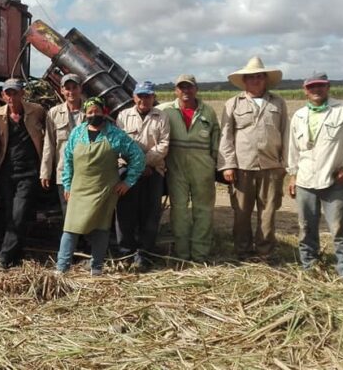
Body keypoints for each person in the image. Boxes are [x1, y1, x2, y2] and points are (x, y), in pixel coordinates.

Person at [287, 73, 343, 286]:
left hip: (333, 181)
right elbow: (293, 149)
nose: (316, 90)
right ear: (305, 90)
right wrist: (292, 176)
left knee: (340, 228)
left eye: (320, 86)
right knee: (306, 228)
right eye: (312, 87)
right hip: (305, 180)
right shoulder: (299, 116)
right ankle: (309, 268)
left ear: (328, 87)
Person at [56, 97, 145, 275]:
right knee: (70, 228)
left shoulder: (115, 134)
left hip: (104, 190)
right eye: (89, 112)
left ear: (104, 112)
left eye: (97, 111)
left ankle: (96, 268)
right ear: (85, 114)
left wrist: (127, 182)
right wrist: (67, 185)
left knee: (101, 228)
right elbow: (68, 160)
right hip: (79, 189)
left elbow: (138, 158)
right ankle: (61, 268)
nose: (93, 115)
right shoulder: (77, 133)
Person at [218, 57, 288, 260]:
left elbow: (285, 134)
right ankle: (243, 250)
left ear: (265, 79)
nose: (255, 80)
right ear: (244, 81)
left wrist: (285, 165)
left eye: (259, 76)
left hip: (271, 166)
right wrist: (228, 166)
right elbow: (226, 136)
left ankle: (265, 252)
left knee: (268, 212)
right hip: (242, 167)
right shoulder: (233, 103)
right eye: (251, 77)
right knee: (241, 212)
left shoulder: (278, 103)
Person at [161, 74, 220, 262]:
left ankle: (200, 254)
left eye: (189, 87)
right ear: (175, 90)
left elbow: (216, 142)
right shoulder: (166, 111)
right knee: (179, 211)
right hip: (176, 169)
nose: (185, 91)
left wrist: (214, 165)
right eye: (181, 87)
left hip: (202, 170)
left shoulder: (208, 112)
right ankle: (183, 254)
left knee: (203, 211)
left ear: (196, 89)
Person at [115, 81, 170, 270]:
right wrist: (138, 166)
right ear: (134, 97)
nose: (144, 100)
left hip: (153, 171)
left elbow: (163, 145)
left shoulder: (162, 117)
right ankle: (125, 252)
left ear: (153, 97)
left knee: (150, 213)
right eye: (140, 96)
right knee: (125, 212)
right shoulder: (123, 116)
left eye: (148, 96)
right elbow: (120, 144)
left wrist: (144, 163)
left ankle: (145, 253)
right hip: (129, 170)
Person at [0, 78, 46, 269]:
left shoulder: (36, 111)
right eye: (8, 93)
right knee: (12, 215)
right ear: (3, 95)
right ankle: (17, 255)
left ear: (22, 94)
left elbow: (46, 138)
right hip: (7, 173)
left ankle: (4, 258)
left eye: (15, 92)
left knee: (19, 213)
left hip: (29, 172)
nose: (11, 97)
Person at [40, 73, 85, 216]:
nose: (71, 92)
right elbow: (49, 144)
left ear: (80, 89)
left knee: (85, 212)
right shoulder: (54, 113)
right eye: (67, 88)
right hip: (64, 171)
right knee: (68, 213)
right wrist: (45, 172)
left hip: (86, 171)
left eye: (74, 87)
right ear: (62, 90)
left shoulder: (91, 111)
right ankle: (71, 238)